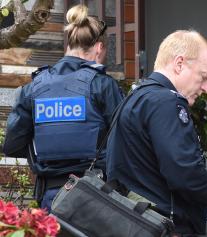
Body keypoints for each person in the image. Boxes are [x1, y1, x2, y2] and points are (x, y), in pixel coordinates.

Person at [106, 30, 207, 236]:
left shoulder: (136, 99)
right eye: (203, 77)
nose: (206, 88)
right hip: (162, 228)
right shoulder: (166, 102)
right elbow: (184, 172)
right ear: (179, 64)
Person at [3, 4, 124, 212]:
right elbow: (125, 143)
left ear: (69, 44)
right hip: (97, 197)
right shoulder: (103, 85)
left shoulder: (33, 88)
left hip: (51, 198)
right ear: (99, 48)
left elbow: (12, 145)